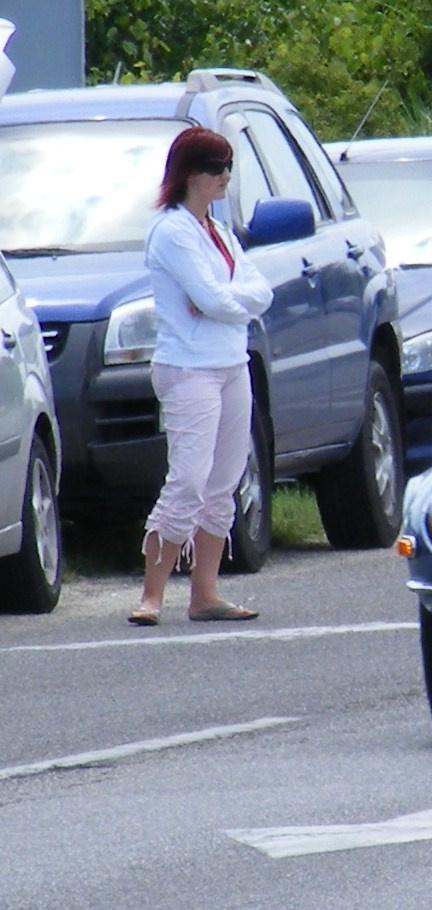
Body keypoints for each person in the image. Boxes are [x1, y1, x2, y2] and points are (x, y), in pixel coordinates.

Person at [128, 127, 273, 626]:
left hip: (232, 364)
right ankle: (151, 596)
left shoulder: (219, 230)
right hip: (188, 368)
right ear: (191, 174)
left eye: (227, 167)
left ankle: (204, 594)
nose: (224, 178)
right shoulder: (171, 231)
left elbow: (255, 291)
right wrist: (226, 301)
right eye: (216, 169)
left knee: (223, 481)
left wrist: (225, 301)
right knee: (187, 480)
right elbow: (212, 298)